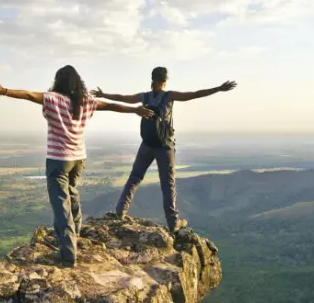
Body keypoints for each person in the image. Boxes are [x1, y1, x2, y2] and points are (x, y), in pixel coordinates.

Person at [0, 66, 153, 267]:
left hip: (58, 159)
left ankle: (68, 253)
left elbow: (29, 95)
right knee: (72, 193)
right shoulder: (86, 102)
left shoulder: (54, 99)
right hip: (78, 158)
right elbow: (109, 105)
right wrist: (135, 110)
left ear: (58, 82)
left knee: (60, 203)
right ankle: (76, 232)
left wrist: (4, 92)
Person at [94, 67, 237, 232]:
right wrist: (218, 89)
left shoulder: (144, 97)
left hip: (147, 144)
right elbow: (194, 94)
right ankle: (173, 223)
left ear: (152, 79)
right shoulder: (169, 96)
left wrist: (103, 95)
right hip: (164, 146)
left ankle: (120, 211)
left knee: (135, 177)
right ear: (165, 80)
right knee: (168, 184)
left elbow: (122, 98)